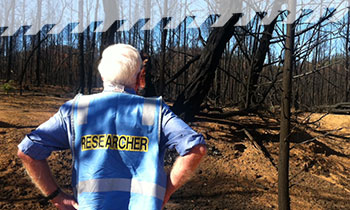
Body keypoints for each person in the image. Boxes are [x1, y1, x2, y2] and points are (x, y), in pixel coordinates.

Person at [17, 44, 206, 210]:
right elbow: (196, 148)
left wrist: (57, 197)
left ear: (102, 74)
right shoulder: (154, 111)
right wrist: (166, 192)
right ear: (140, 76)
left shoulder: (77, 109)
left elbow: (28, 151)